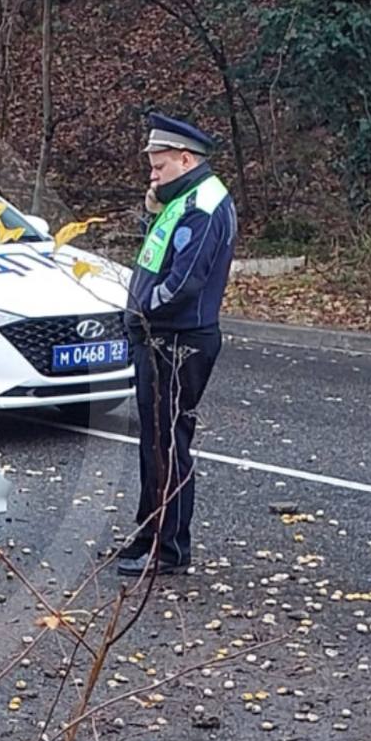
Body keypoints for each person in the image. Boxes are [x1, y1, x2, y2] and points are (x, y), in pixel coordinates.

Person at [116, 112, 238, 576]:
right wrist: (155, 204)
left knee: (168, 444)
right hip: (161, 338)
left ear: (185, 159)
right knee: (154, 442)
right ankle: (149, 533)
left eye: (158, 166)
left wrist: (143, 312)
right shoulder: (183, 198)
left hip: (177, 341)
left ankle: (169, 549)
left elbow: (183, 283)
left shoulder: (202, 206)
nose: (152, 174)